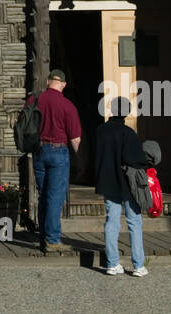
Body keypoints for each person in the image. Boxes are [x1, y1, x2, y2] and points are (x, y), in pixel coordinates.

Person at [93, 97, 153, 277]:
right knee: (134, 221)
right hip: (128, 184)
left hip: (108, 182)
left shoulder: (100, 131)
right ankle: (138, 265)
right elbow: (135, 159)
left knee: (111, 221)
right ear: (126, 112)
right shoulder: (128, 133)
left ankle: (112, 264)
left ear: (111, 110)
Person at [32, 69, 81, 252]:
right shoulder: (67, 105)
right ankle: (52, 240)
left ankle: (43, 237)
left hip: (38, 151)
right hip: (58, 151)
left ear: (48, 81)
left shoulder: (34, 100)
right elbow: (75, 139)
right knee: (54, 198)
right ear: (63, 84)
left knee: (43, 195)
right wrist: (81, 161)